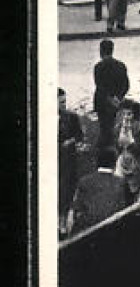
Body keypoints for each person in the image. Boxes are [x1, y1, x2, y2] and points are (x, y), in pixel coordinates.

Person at [68, 146, 127, 235]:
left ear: (96, 162)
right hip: (113, 233)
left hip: (86, 234)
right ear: (114, 163)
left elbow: (72, 214)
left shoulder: (84, 181)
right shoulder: (121, 183)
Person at [93, 37, 129, 148]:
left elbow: (99, 86)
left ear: (101, 51)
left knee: (104, 126)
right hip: (116, 101)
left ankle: (104, 147)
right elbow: (126, 85)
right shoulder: (121, 66)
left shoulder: (98, 67)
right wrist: (118, 97)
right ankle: (112, 145)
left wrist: (109, 98)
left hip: (102, 102)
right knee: (113, 123)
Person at [58, 88, 85, 237]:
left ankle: (62, 223)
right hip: (50, 162)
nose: (64, 105)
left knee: (66, 192)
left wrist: (71, 141)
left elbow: (79, 136)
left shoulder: (72, 117)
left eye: (64, 102)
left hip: (67, 161)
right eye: (61, 102)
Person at [113, 97, 140, 204]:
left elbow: (139, 150)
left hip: (136, 163)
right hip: (122, 162)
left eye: (129, 114)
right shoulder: (118, 128)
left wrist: (130, 140)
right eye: (124, 114)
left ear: (134, 115)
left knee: (134, 191)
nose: (126, 117)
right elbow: (116, 148)